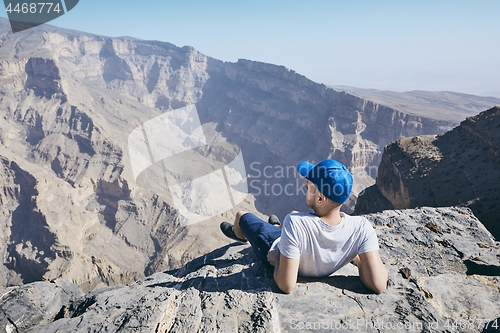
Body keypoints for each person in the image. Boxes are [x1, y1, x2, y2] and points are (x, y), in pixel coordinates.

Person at [220, 159, 388, 294]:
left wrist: (277, 259)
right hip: (295, 235)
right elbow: (379, 285)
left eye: (309, 186)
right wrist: (358, 260)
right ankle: (278, 225)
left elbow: (286, 286)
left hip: (274, 244)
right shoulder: (361, 227)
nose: (305, 187)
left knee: (242, 215)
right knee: (292, 215)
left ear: (321, 198)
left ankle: (239, 235)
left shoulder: (296, 223)